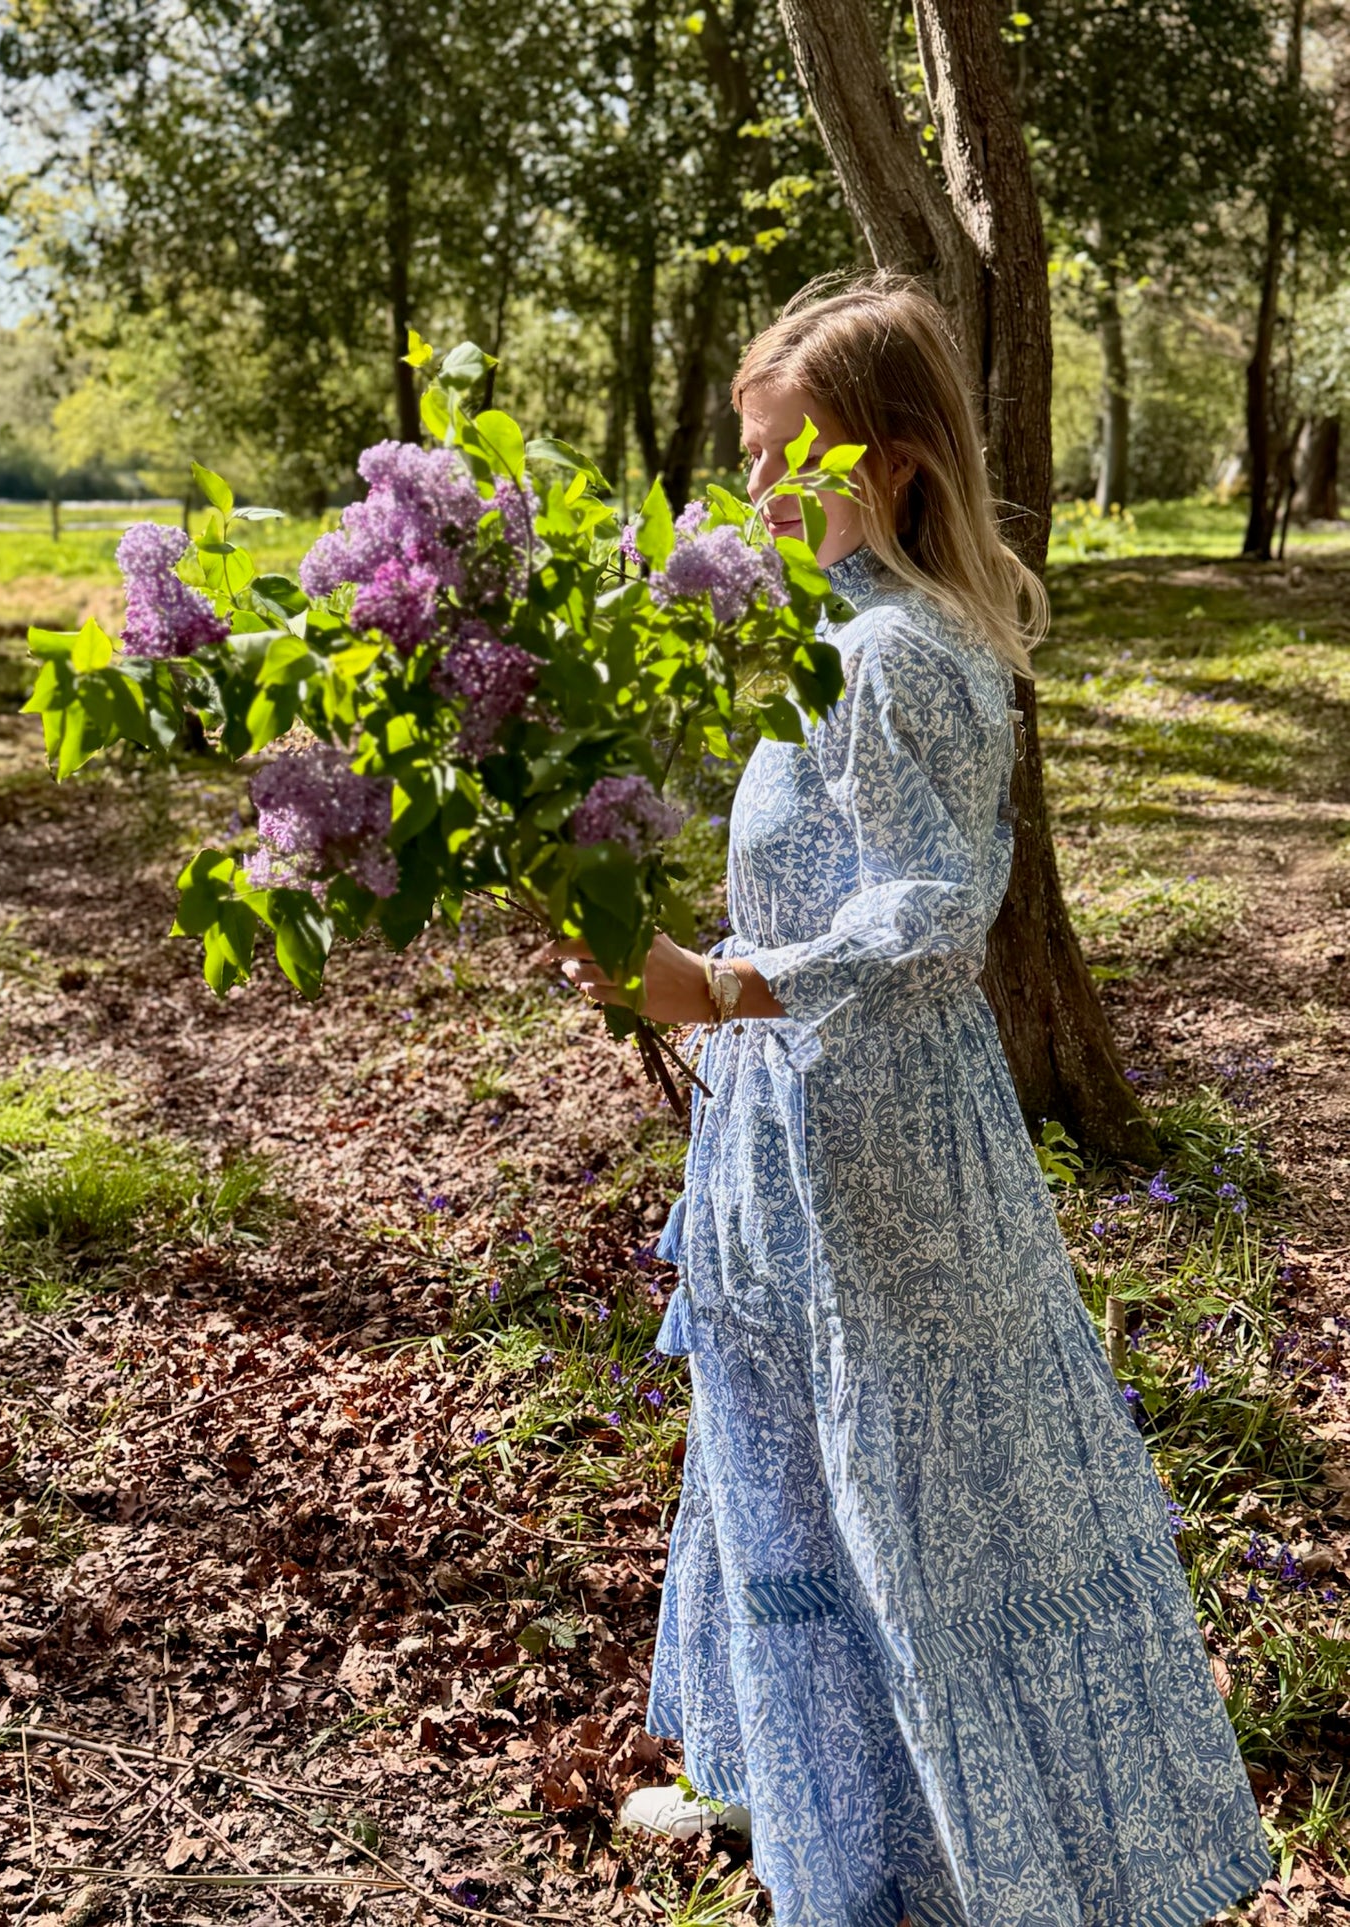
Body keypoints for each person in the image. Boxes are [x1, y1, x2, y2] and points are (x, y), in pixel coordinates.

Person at [551, 272, 1272, 1927]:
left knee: (913, 1505)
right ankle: (840, 1841)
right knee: (816, 1470)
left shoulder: (901, 652)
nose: (753, 497)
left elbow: (932, 902)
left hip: (881, 1144)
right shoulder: (837, 633)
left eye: (784, 460)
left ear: (900, 463)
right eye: (746, 460)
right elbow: (820, 878)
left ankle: (986, 1875)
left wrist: (724, 987)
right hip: (799, 1121)